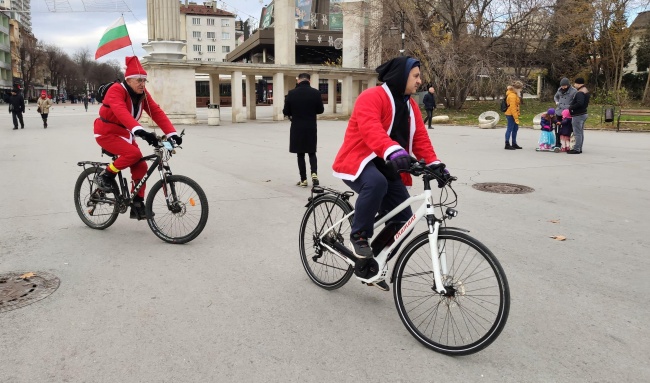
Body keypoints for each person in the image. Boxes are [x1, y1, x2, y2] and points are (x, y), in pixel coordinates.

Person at [332, 56, 451, 291]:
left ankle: (371, 262)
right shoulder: (372, 97)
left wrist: (435, 163)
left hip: (389, 163)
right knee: (376, 183)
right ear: (401, 76)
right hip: (361, 159)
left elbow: (420, 139)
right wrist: (393, 150)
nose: (420, 81)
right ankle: (359, 235)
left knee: (404, 219)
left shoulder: (410, 105)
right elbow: (370, 129)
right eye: (415, 76)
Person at [93, 56, 183, 220]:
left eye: (144, 80)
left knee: (140, 165)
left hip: (125, 134)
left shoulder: (141, 93)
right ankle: (105, 175)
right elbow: (121, 112)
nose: (143, 84)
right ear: (128, 80)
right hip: (106, 133)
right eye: (139, 80)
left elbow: (156, 111)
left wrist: (172, 134)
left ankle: (137, 203)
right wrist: (140, 131)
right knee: (133, 155)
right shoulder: (116, 90)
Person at [283, 73, 325, 188]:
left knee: (300, 154)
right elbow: (320, 110)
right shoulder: (316, 93)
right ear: (309, 81)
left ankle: (303, 179)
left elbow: (285, 111)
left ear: (298, 81)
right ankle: (314, 174)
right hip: (311, 126)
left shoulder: (292, 93)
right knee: (312, 152)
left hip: (297, 127)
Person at [567, 77, 589, 154]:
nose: (574, 85)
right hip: (583, 113)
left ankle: (576, 149)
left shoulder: (580, 92)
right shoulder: (585, 90)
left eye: (575, 83)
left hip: (578, 114)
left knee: (577, 133)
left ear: (578, 83)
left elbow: (580, 103)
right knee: (580, 132)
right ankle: (579, 148)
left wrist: (571, 107)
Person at [553, 78, 577, 149]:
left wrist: (569, 107)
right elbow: (555, 96)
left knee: (568, 128)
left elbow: (575, 101)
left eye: (564, 86)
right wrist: (557, 102)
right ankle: (558, 143)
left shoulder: (573, 91)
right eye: (562, 86)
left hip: (567, 112)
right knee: (557, 128)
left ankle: (568, 144)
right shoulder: (559, 90)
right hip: (559, 111)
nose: (563, 87)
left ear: (568, 85)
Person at [504, 81, 523, 150]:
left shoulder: (515, 94)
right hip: (510, 114)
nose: (521, 90)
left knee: (515, 129)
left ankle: (514, 143)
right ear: (516, 88)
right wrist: (516, 118)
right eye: (520, 89)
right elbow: (513, 108)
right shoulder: (512, 96)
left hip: (514, 114)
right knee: (510, 129)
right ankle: (507, 144)